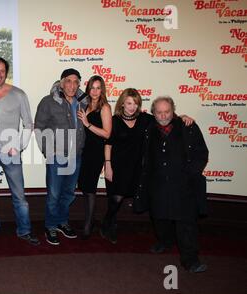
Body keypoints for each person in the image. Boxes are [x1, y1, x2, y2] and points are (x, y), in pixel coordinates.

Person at [102, 88, 193, 244]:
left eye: (135, 104)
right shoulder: (114, 120)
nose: (132, 107)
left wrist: (181, 117)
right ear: (122, 103)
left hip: (138, 167)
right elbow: (108, 145)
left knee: (143, 196)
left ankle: (161, 235)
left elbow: (164, 118)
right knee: (116, 199)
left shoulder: (145, 119)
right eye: (129, 103)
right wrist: (108, 165)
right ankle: (107, 224)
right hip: (118, 166)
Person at [138, 96, 209, 273]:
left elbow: (202, 153)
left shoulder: (188, 127)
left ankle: (191, 260)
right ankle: (165, 242)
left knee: (186, 224)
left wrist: (189, 174)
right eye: (159, 112)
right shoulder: (149, 129)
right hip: (158, 184)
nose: (163, 115)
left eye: (167, 111)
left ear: (173, 111)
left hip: (184, 186)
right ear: (153, 112)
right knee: (159, 218)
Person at [0, 56, 39, 245]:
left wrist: (19, 146)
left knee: (19, 196)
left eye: (2, 71)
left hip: (11, 152)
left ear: (7, 72)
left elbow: (29, 124)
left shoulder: (19, 94)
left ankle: (24, 230)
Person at [34, 68, 86, 245]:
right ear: (62, 83)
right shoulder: (48, 102)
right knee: (54, 194)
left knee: (69, 193)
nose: (72, 85)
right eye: (68, 81)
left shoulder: (83, 102)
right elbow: (39, 128)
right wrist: (48, 151)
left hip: (76, 156)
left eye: (75, 81)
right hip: (57, 157)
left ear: (79, 84)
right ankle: (50, 226)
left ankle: (62, 222)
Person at [77, 75, 112, 239]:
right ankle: (89, 221)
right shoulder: (85, 104)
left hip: (96, 151)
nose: (95, 91)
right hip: (84, 149)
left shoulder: (104, 107)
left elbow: (107, 133)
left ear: (102, 89)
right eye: (92, 87)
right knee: (85, 186)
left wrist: (87, 123)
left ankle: (88, 225)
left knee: (90, 188)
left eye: (98, 88)